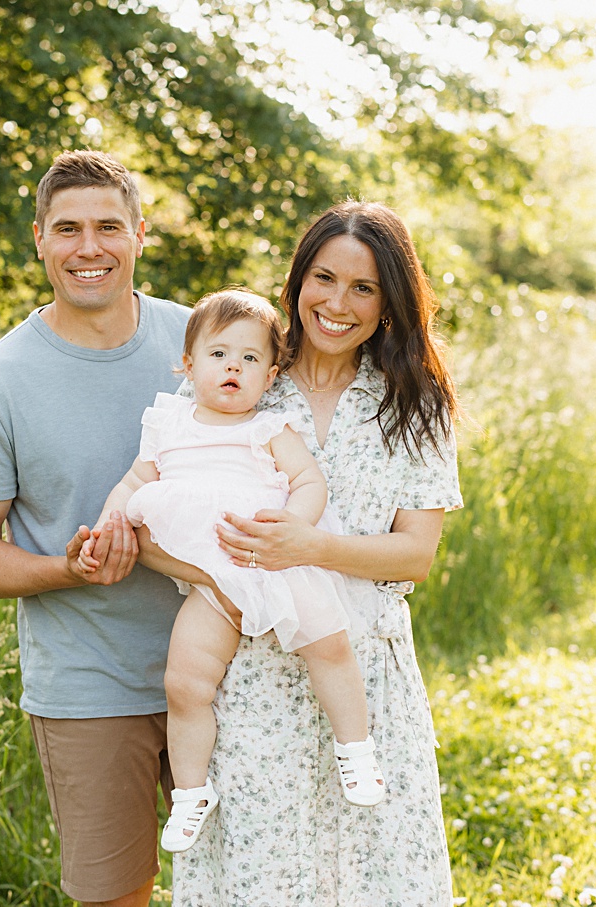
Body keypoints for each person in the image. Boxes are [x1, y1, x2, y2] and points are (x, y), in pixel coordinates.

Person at [148, 201, 464, 905]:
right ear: (297, 281)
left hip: (365, 675)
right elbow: (158, 528)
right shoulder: (240, 372)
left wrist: (308, 546)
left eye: (364, 288)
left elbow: (414, 555)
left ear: (389, 302)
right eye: (325, 278)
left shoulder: (413, 404)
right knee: (263, 877)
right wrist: (233, 577)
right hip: (252, 674)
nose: (339, 303)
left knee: (379, 875)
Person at [0, 150, 191, 907]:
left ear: (140, 234)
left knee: (248, 883)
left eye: (109, 226)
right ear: (40, 240)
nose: (91, 248)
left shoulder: (203, 344)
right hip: (89, 686)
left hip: (224, 673)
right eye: (69, 229)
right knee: (116, 894)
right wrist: (68, 568)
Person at [76, 289, 386, 855]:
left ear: (270, 377)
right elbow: (131, 486)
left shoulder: (269, 428)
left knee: (330, 647)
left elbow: (309, 482)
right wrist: (105, 529)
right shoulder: (168, 424)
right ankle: (192, 793)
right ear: (188, 365)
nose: (233, 368)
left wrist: (291, 530)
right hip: (211, 585)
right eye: (219, 355)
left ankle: (356, 749)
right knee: (185, 682)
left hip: (276, 563)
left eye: (249, 359)